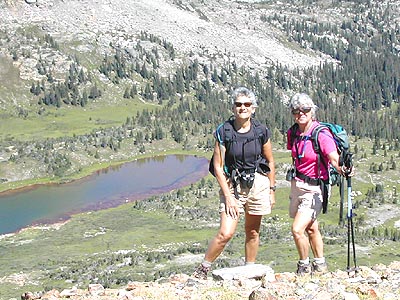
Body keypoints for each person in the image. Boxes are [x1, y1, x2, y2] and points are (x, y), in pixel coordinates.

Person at [193, 86, 276, 280]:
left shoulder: (261, 131)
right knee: (226, 232)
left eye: (247, 104)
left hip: (258, 183)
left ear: (253, 108)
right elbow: (218, 166)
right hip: (233, 186)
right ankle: (202, 269)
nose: (243, 108)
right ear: (233, 107)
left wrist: (271, 190)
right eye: (239, 104)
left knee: (253, 231)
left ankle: (249, 270)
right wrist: (228, 197)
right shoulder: (224, 131)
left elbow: (270, 161)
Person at [286, 93, 351, 276]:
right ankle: (320, 264)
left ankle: (304, 267)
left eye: (305, 109)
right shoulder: (293, 132)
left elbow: (332, 157)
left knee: (297, 229)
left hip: (315, 189)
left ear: (312, 111)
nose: (301, 113)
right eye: (296, 111)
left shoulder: (321, 134)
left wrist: (342, 168)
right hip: (297, 185)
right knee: (311, 227)